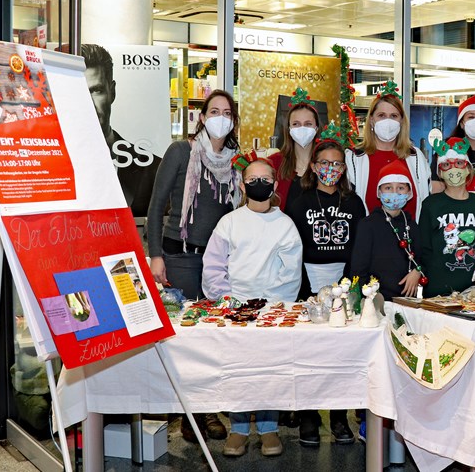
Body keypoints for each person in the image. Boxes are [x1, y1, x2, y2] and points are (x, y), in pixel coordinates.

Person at [146, 89, 240, 443]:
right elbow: (155, 207)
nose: (220, 117)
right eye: (213, 110)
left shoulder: (236, 161)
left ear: (232, 121)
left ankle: (205, 408)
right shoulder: (180, 152)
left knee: (213, 337)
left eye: (227, 112)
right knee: (188, 338)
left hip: (218, 261)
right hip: (181, 256)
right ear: (202, 117)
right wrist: (156, 254)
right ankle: (192, 416)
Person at [202, 158, 303, 458]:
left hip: (271, 312)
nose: (259, 184)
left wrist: (270, 305)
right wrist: (229, 302)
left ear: (274, 184)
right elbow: (214, 266)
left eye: (266, 179)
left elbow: (291, 271)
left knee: (269, 370)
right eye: (252, 179)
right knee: (238, 370)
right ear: (243, 185)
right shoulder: (229, 223)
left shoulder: (285, 225)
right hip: (235, 312)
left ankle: (270, 428)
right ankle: (239, 429)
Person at [285, 132, 366, 447]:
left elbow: (360, 247)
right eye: (324, 163)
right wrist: (304, 288)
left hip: (343, 283)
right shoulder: (300, 201)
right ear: (314, 166)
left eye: (337, 164)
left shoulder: (354, 202)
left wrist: (349, 285)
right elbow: (293, 247)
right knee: (308, 355)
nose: (331, 168)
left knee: (341, 357)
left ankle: (338, 417)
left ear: (344, 169)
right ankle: (307, 418)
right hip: (308, 281)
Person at [80, 43, 162, 217]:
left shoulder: (151, 167)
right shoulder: (50, 164)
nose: (88, 104)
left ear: (112, 92)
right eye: (79, 92)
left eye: (96, 90)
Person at [345, 86, 430, 217]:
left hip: (410, 235)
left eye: (394, 116)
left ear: (401, 121)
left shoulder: (415, 157)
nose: (388, 121)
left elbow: (425, 199)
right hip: (368, 236)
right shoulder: (354, 158)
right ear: (372, 120)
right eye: (381, 115)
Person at [419, 137, 475, 297]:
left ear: (468, 169)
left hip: (474, 288)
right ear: (440, 172)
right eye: (446, 165)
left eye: (459, 163)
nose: (453, 170)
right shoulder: (430, 204)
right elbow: (424, 248)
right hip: (438, 289)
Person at [352, 159, 425, 301]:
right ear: (379, 192)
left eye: (400, 188)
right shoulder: (368, 225)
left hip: (410, 301)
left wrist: (418, 271)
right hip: (377, 300)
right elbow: (358, 269)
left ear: (409, 193)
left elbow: (422, 258)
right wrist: (368, 299)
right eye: (388, 188)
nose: (394, 192)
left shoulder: (412, 224)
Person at [266, 87, 323, 210]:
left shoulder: (326, 164)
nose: (302, 128)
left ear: (316, 128)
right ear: (289, 129)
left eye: (308, 124)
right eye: (296, 124)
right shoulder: (274, 163)